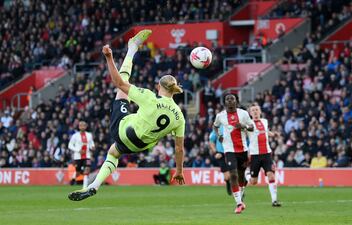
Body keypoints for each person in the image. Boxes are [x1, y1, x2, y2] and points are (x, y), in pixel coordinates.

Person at [68, 29, 186, 201]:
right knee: (113, 152)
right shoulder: (179, 117)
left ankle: (132, 48)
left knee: (123, 86)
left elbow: (118, 82)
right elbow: (179, 148)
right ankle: (94, 185)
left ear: (158, 87)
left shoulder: (149, 97)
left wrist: (109, 58)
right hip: (141, 146)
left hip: (124, 130)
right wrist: (179, 171)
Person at [213, 93, 254, 214]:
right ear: (225, 102)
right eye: (227, 99)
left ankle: (240, 194)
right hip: (229, 150)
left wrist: (244, 126)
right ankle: (239, 203)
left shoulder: (244, 113)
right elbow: (215, 126)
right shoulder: (220, 116)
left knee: (241, 177)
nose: (230, 101)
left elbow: (252, 127)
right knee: (233, 175)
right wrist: (218, 135)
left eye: (232, 99)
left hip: (243, 150)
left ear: (236, 101)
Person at [247, 103, 281, 207]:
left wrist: (273, 134)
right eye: (253, 110)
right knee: (253, 182)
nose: (255, 112)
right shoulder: (248, 124)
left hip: (266, 154)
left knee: (271, 175)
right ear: (250, 113)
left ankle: (274, 200)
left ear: (260, 111)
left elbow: (266, 131)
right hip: (255, 155)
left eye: (257, 109)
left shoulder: (264, 121)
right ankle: (247, 175)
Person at [68, 121, 95, 188]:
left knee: (87, 170)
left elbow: (91, 143)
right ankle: (73, 179)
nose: (82, 127)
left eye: (84, 125)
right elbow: (70, 145)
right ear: (79, 127)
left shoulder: (89, 135)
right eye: (81, 125)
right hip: (78, 157)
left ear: (86, 126)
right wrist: (78, 150)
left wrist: (93, 147)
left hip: (87, 156)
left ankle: (84, 187)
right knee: (78, 172)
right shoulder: (75, 136)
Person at [209, 127, 231, 195]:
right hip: (221, 153)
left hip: (231, 152)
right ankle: (228, 183)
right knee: (227, 176)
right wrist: (215, 152)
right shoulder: (218, 127)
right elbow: (211, 140)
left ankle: (239, 190)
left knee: (234, 173)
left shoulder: (232, 124)